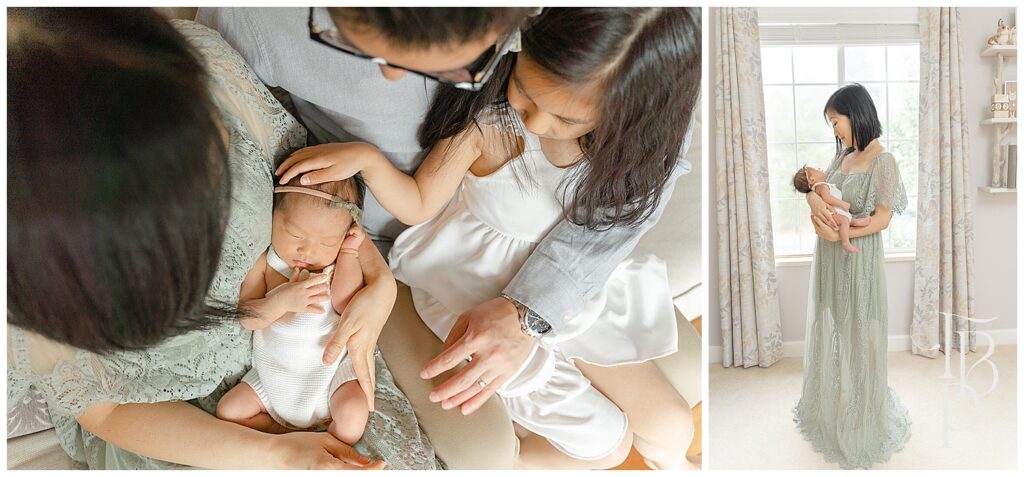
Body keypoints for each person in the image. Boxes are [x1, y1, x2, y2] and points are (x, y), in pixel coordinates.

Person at [7, 8, 435, 469]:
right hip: (183, 425)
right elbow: (105, 408)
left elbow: (316, 202)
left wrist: (379, 281)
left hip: (309, 363)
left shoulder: (196, 68)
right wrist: (275, 453)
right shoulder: (37, 265)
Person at [276, 7, 701, 469]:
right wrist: (367, 160)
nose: (536, 124)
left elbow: (604, 237)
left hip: (573, 296)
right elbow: (420, 202)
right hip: (471, 290)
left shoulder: (624, 148)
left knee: (672, 424)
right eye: (526, 94)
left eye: (567, 120)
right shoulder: (490, 123)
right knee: (606, 445)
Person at [793, 83, 911, 469]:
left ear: (855, 113)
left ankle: (867, 409)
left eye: (836, 120)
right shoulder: (842, 156)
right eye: (830, 123)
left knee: (864, 334)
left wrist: (838, 232)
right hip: (830, 260)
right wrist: (813, 199)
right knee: (841, 328)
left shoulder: (884, 161)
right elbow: (818, 192)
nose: (834, 130)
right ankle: (846, 400)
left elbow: (882, 219)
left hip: (858, 260)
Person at [215, 178, 371, 446]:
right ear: (274, 216)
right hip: (272, 380)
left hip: (329, 381)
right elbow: (248, 318)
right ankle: (288, 437)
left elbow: (347, 305)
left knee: (354, 411)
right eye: (296, 235)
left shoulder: (332, 268)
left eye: (326, 242)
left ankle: (332, 444)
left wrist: (348, 254)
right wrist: (282, 301)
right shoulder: (266, 263)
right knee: (228, 411)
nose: (308, 251)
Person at [792, 164, 872, 253]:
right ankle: (845, 242)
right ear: (811, 180)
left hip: (835, 212)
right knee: (844, 220)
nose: (819, 167)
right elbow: (827, 198)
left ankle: (855, 222)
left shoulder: (821, 186)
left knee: (846, 220)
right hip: (831, 214)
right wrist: (843, 204)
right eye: (816, 169)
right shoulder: (821, 186)